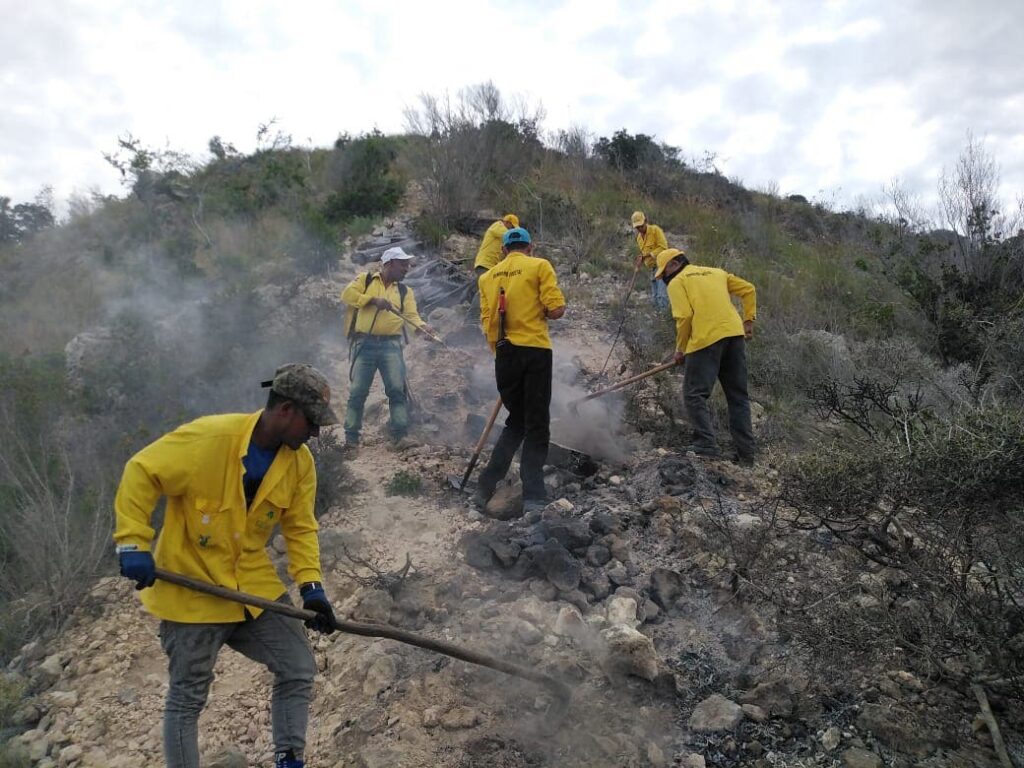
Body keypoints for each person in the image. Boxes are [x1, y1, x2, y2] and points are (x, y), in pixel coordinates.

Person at [113, 363, 340, 768]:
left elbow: (300, 528)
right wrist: (133, 541)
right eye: (311, 421)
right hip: (192, 586)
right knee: (188, 696)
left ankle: (289, 759)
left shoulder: (299, 462)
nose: (315, 432)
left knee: (298, 666)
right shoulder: (208, 438)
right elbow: (141, 471)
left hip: (250, 586)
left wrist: (311, 589)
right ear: (285, 410)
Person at [474, 226, 566, 514]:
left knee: (516, 421)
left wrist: (502, 353)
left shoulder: (488, 276)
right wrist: (542, 310)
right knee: (537, 423)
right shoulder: (540, 266)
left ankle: (485, 486)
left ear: (503, 250)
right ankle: (534, 496)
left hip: (504, 353)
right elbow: (556, 309)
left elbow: (488, 320)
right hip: (535, 350)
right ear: (530, 247)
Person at [654, 247, 757, 464]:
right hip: (734, 336)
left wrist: (680, 349)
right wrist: (748, 320)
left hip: (705, 340)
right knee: (738, 397)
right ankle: (746, 456)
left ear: (674, 264)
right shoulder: (716, 273)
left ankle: (706, 444)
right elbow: (749, 289)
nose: (663, 278)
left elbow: (684, 317)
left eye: (663, 272)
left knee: (694, 394)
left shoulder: (677, 281)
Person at [340, 246, 434, 451]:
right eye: (403, 264)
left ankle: (400, 436)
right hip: (364, 344)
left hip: (391, 345)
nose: (406, 268)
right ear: (389, 264)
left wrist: (423, 328)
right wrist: (373, 300)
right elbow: (347, 295)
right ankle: (351, 439)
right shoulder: (366, 280)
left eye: (407, 264)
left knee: (396, 391)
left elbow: (411, 317)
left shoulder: (404, 291)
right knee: (358, 392)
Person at [631, 210, 670, 310]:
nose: (639, 229)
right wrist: (641, 259)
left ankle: (664, 319)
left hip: (662, 266)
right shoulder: (639, 238)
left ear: (645, 221)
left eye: (641, 226)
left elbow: (664, 247)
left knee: (662, 296)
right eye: (637, 227)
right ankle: (658, 319)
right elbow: (644, 254)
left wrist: (647, 255)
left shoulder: (655, 230)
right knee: (655, 297)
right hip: (652, 269)